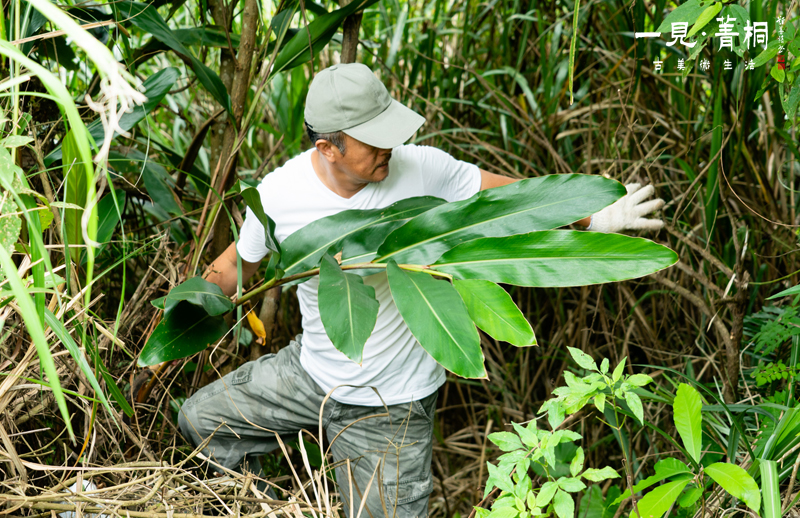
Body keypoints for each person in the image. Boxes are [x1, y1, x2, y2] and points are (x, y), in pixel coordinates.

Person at [177, 63, 664, 517]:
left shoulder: (424, 170)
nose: (389, 147)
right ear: (328, 148)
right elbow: (238, 266)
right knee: (202, 423)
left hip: (391, 405)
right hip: (312, 373)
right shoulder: (281, 195)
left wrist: (593, 215)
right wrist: (175, 326)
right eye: (372, 140)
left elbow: (512, 201)